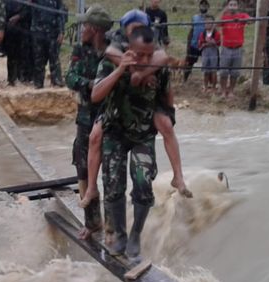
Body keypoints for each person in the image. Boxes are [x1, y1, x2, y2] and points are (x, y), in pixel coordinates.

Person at [81, 11, 192, 218]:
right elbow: (112, 53)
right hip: (118, 102)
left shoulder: (151, 39)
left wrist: (145, 73)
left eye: (140, 26)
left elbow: (162, 57)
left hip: (150, 101)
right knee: (95, 136)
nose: (136, 30)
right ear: (125, 29)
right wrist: (133, 72)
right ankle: (91, 188)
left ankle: (178, 176)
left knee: (166, 126)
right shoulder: (118, 39)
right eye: (132, 27)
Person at [90, 26, 172, 261]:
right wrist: (121, 70)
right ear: (129, 50)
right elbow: (96, 95)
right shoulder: (111, 62)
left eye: (149, 54)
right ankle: (120, 234)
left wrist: (167, 120)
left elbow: (168, 101)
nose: (145, 59)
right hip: (115, 132)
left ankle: (135, 234)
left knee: (143, 185)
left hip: (143, 134)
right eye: (139, 54)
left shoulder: (159, 68)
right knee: (113, 186)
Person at [65, 6, 114, 240]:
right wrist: (92, 84)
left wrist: (100, 85)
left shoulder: (113, 51)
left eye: (85, 26)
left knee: (112, 172)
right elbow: (70, 78)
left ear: (94, 29)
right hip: (86, 117)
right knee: (83, 169)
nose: (82, 29)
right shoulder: (80, 49)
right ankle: (92, 222)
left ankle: (114, 225)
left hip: (108, 117)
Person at [218, 0, 251, 98]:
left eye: (234, 5)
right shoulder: (225, 17)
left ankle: (231, 91)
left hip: (238, 48)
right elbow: (215, 23)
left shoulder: (242, 16)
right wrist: (224, 11)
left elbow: (251, 20)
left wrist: (242, 20)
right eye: (230, 5)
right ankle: (223, 91)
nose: (232, 6)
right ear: (228, 6)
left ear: (237, 6)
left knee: (235, 72)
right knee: (223, 71)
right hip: (226, 48)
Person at [30, 0, 66, 88]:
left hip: (53, 32)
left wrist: (61, 32)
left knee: (54, 57)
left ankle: (56, 80)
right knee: (39, 58)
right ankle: (38, 82)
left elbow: (61, 14)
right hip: (38, 31)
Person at [183, 0, 210, 82]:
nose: (203, 7)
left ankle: (208, 82)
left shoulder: (210, 18)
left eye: (205, 5)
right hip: (194, 44)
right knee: (189, 62)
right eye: (202, 5)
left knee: (207, 64)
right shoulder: (194, 17)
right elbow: (191, 31)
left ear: (208, 7)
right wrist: (188, 44)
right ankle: (185, 80)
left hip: (205, 45)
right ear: (199, 7)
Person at [4, 0, 29, 86]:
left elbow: (29, 9)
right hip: (10, 28)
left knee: (23, 54)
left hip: (23, 27)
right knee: (11, 55)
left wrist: (19, 16)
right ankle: (11, 78)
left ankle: (22, 77)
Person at [198, 16, 221, 92]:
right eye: (206, 23)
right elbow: (200, 45)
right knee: (206, 70)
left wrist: (213, 43)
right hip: (205, 53)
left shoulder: (216, 33)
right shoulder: (202, 34)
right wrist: (204, 44)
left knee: (213, 70)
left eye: (210, 23)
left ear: (213, 24)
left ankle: (214, 87)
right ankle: (205, 87)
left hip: (213, 52)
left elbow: (218, 43)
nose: (208, 24)